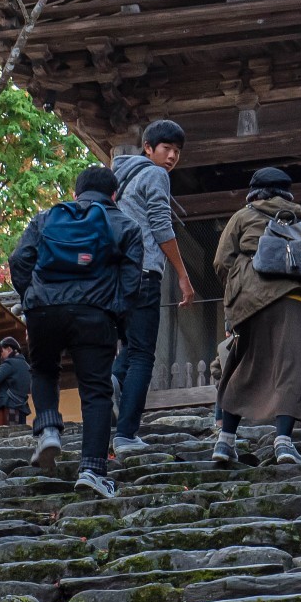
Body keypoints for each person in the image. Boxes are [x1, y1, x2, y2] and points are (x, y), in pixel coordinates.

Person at [9, 165, 146, 499]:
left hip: (43, 309)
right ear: (115, 195)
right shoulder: (126, 226)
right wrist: (115, 315)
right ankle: (93, 470)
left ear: (75, 193)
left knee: (43, 368)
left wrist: (31, 297)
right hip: (94, 312)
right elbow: (131, 285)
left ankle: (49, 429)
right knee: (96, 390)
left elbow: (18, 259)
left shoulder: (45, 219)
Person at [211, 166, 301, 466]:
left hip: (253, 303)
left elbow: (221, 261)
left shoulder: (242, 217)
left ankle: (225, 442)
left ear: (255, 193)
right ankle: (284, 443)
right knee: (294, 371)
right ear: (288, 193)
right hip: (296, 302)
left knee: (244, 366)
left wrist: (240, 290)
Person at [108, 119, 198, 456]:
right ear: (149, 148)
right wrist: (183, 275)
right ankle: (126, 434)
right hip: (144, 270)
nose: (172, 156)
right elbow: (161, 226)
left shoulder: (119, 177)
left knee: (128, 346)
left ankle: (113, 382)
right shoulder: (156, 174)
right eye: (167, 148)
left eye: (177, 151)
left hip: (116, 274)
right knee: (144, 353)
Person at [0, 335, 31, 428]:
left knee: (3, 437)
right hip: (21, 409)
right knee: (19, 437)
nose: (1, 355)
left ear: (9, 349)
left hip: (7, 407)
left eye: (2, 351)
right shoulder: (27, 366)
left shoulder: (10, 363)